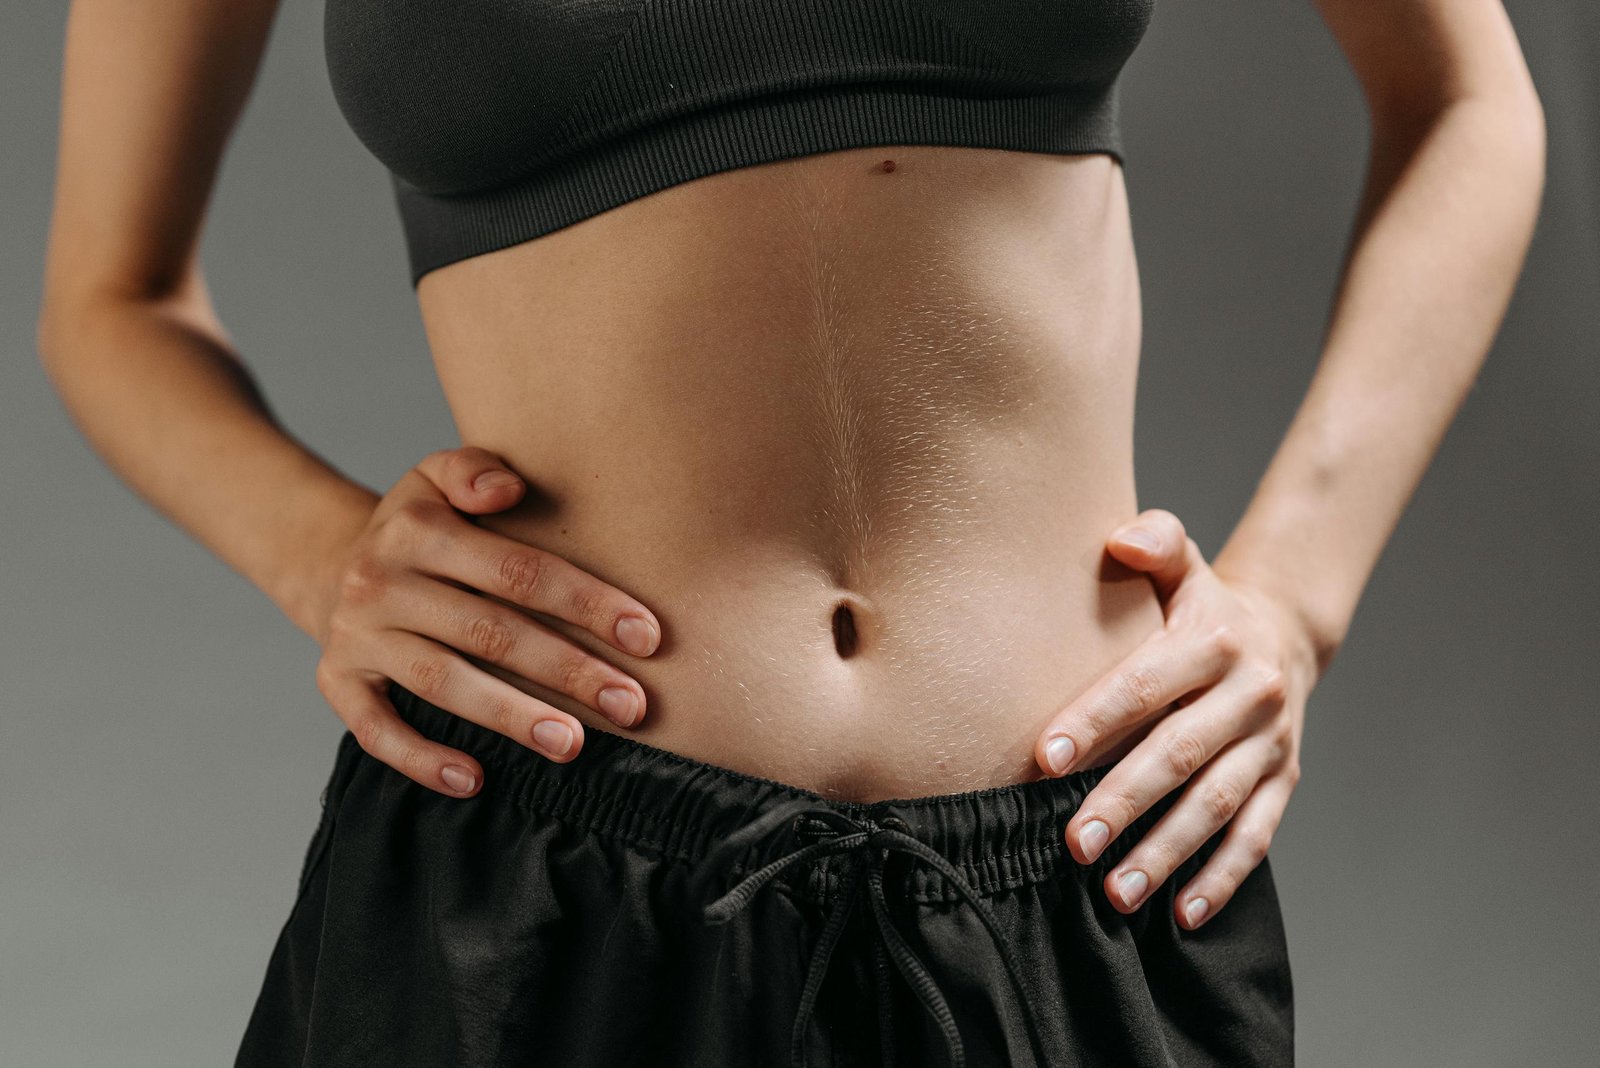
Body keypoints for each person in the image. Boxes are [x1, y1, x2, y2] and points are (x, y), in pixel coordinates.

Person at [35, 0, 1544, 1065]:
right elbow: (110, 296)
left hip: (1082, 865)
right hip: (541, 888)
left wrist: (1295, 597)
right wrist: (324, 552)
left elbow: (1472, 99)